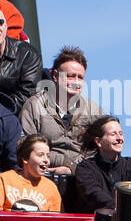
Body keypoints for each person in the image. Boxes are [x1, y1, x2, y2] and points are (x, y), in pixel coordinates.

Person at [20, 46, 104, 175]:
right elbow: (26, 148)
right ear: (55, 76)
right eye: (70, 76)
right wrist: (63, 163)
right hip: (43, 177)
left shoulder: (94, 111)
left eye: (80, 77)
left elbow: (101, 151)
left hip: (85, 179)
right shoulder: (34, 106)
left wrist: (72, 168)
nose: (75, 82)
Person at [72, 115, 131, 216]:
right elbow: (93, 193)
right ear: (98, 141)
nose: (119, 138)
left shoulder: (130, 165)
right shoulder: (85, 168)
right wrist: (116, 207)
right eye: (113, 134)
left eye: (120, 134)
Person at [0, 134, 61, 218]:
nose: (46, 160)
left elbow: (56, 220)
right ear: (25, 158)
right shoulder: (6, 179)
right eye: (40, 155)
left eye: (48, 156)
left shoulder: (51, 187)